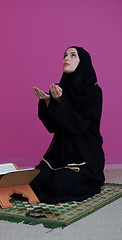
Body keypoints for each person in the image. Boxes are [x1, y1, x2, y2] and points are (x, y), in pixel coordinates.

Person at [30, 46, 105, 204]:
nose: (66, 58)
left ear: (83, 62)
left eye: (72, 55)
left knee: (57, 186)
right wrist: (48, 102)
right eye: (65, 55)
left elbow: (80, 125)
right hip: (60, 154)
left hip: (85, 155)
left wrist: (59, 102)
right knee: (35, 183)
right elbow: (53, 127)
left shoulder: (94, 93)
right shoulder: (59, 89)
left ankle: (89, 179)